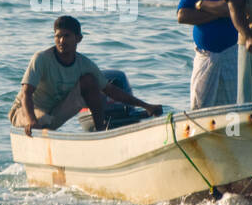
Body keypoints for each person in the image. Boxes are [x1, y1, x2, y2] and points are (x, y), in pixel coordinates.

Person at [10, 16, 162, 135]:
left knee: (90, 81)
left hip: (54, 113)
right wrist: (31, 120)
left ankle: (100, 132)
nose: (62, 41)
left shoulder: (84, 64)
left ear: (78, 38)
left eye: (67, 36)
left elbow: (111, 90)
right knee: (41, 121)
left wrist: (146, 106)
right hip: (25, 111)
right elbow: (26, 93)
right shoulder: (41, 59)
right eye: (58, 36)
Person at [176, 0, 239, 108]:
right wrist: (222, 11)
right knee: (199, 110)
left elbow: (238, 9)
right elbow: (182, 16)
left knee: (232, 110)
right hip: (204, 56)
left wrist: (202, 5)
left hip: (233, 55)